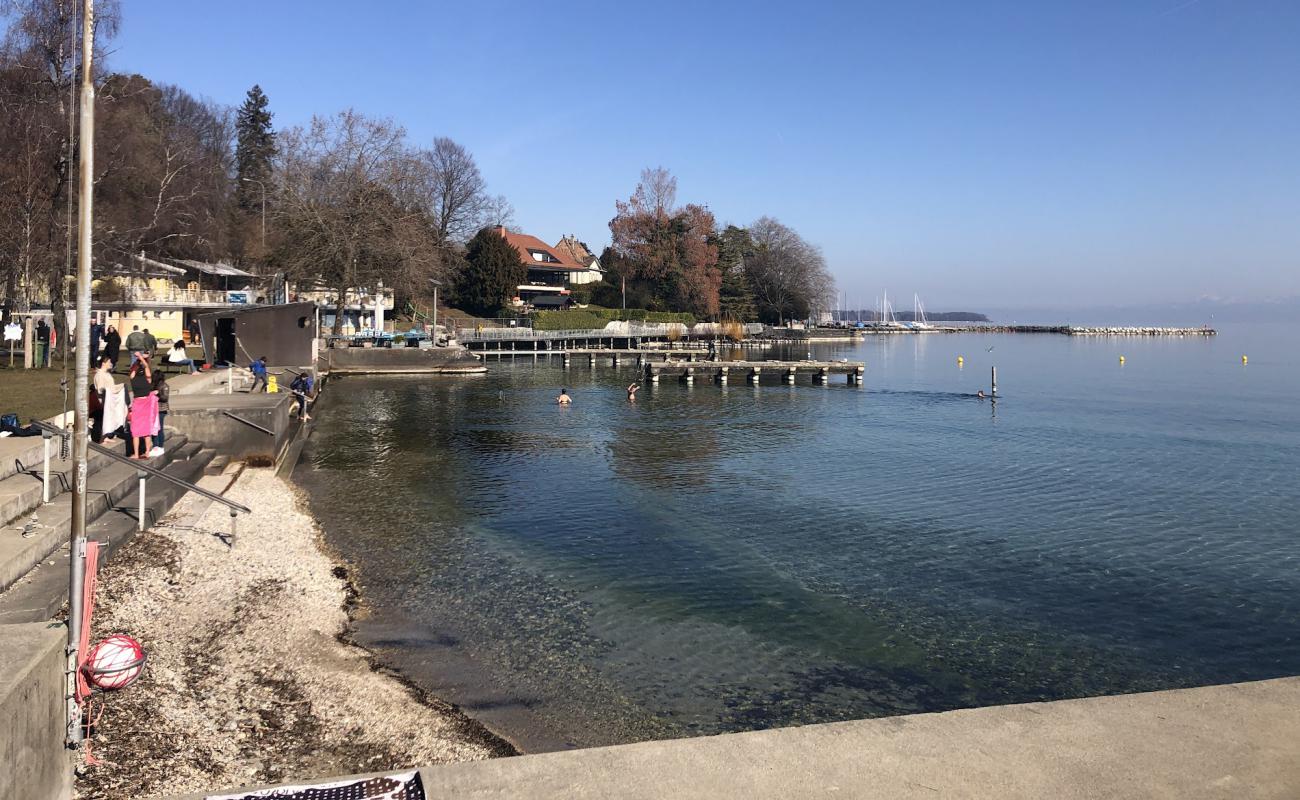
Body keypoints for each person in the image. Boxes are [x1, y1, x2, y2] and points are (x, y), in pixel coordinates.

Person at [126, 354, 158, 459]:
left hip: (139, 403)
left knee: (137, 431)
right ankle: (146, 452)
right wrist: (141, 358)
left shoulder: (133, 377)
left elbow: (137, 369)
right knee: (144, 431)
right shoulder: (147, 378)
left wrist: (138, 360)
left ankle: (137, 453)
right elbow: (146, 367)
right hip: (145, 404)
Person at [91, 356, 115, 443]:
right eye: (109, 362)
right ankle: (99, 439)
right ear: (103, 364)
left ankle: (105, 436)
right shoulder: (99, 375)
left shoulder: (107, 374)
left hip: (109, 399)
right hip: (102, 401)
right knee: (100, 421)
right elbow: (100, 389)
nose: (111, 364)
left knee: (106, 420)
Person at [150, 370, 169, 457]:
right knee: (154, 428)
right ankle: (155, 446)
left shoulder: (164, 386)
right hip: (154, 409)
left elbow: (165, 398)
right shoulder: (154, 385)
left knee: (159, 428)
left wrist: (158, 394)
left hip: (161, 410)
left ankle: (160, 446)